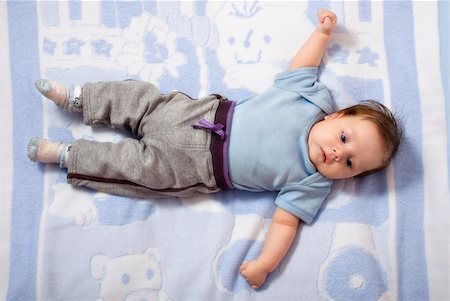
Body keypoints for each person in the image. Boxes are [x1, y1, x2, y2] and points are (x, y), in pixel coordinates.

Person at [27, 9, 401, 289]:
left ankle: (64, 154)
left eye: (350, 164)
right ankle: (78, 98)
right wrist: (322, 33)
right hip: (195, 114)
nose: (338, 155)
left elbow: (285, 224)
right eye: (344, 138)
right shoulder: (310, 98)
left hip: (194, 169)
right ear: (336, 115)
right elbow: (303, 65)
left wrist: (265, 264)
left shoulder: (313, 183)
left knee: (133, 169)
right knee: (140, 99)